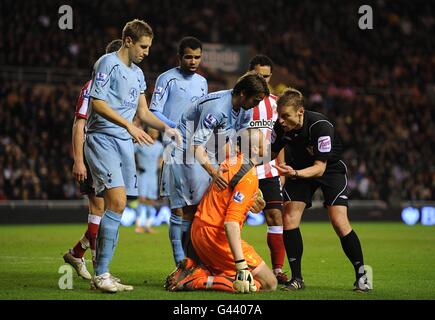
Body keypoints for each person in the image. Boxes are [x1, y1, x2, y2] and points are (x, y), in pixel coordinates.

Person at [84, 19, 180, 293]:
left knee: (119, 205)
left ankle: (102, 272)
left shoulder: (138, 74)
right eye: (143, 46)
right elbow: (97, 103)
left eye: (148, 47)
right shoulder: (106, 63)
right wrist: (127, 125)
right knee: (116, 200)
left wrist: (168, 128)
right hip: (103, 138)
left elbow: (144, 113)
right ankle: (100, 274)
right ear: (128, 41)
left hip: (124, 141)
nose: (146, 52)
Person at [270, 87, 371, 292]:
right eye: (279, 116)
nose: (281, 121)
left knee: (339, 221)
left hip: (329, 170)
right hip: (297, 168)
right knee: (289, 218)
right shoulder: (280, 127)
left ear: (300, 111)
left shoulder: (320, 126)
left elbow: (319, 168)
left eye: (285, 116)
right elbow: (270, 153)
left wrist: (294, 174)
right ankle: (297, 278)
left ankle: (363, 274)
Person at [167, 70, 270, 262]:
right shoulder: (217, 109)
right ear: (242, 94)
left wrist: (250, 188)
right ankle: (182, 263)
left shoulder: (245, 109)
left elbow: (238, 144)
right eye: (255, 100)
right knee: (188, 209)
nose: (256, 106)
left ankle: (202, 260)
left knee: (211, 204)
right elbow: (196, 146)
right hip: (184, 151)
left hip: (210, 151)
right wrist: (214, 173)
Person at [165, 129, 277, 293]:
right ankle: (197, 280)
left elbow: (225, 197)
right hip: (215, 236)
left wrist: (251, 201)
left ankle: (200, 270)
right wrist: (241, 265)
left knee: (251, 281)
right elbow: (230, 223)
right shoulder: (249, 176)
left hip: (200, 230)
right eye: (263, 142)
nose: (267, 145)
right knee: (269, 283)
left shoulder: (230, 163)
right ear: (254, 150)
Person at [63, 39, 123, 281]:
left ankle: (78, 254)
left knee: (110, 210)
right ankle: (100, 269)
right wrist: (78, 160)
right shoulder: (92, 88)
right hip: (93, 153)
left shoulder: (118, 88)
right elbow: (79, 124)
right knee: (100, 209)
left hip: (110, 153)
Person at [148, 36, 208, 266]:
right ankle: (179, 261)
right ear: (179, 57)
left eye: (197, 57)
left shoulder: (202, 82)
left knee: (194, 207)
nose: (193, 61)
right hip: (174, 148)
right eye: (188, 57)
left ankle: (192, 259)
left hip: (196, 148)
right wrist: (175, 127)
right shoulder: (167, 79)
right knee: (178, 207)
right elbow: (154, 111)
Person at [246, 55, 287, 284]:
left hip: (269, 171)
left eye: (267, 76)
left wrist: (280, 169)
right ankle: (233, 266)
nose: (263, 80)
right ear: (250, 73)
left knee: (275, 216)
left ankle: (278, 270)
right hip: (243, 171)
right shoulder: (240, 101)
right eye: (259, 76)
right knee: (236, 220)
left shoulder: (275, 104)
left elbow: (279, 139)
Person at [134, 126, 164, 234]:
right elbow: (130, 153)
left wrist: (159, 166)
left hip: (153, 177)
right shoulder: (140, 144)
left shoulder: (159, 146)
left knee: (151, 201)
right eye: (152, 131)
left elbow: (161, 159)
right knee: (141, 200)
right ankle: (138, 225)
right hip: (142, 175)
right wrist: (136, 165)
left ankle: (147, 225)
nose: (154, 133)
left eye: (155, 132)